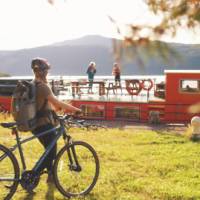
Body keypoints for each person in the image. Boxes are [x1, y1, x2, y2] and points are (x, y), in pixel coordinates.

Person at [31, 57, 81, 183]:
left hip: (35, 124)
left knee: (49, 149)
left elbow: (51, 104)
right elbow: (56, 102)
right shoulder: (42, 86)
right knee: (52, 152)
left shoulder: (32, 84)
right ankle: (33, 175)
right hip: (43, 124)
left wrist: (59, 108)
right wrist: (75, 109)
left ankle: (50, 176)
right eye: (46, 71)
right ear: (45, 72)